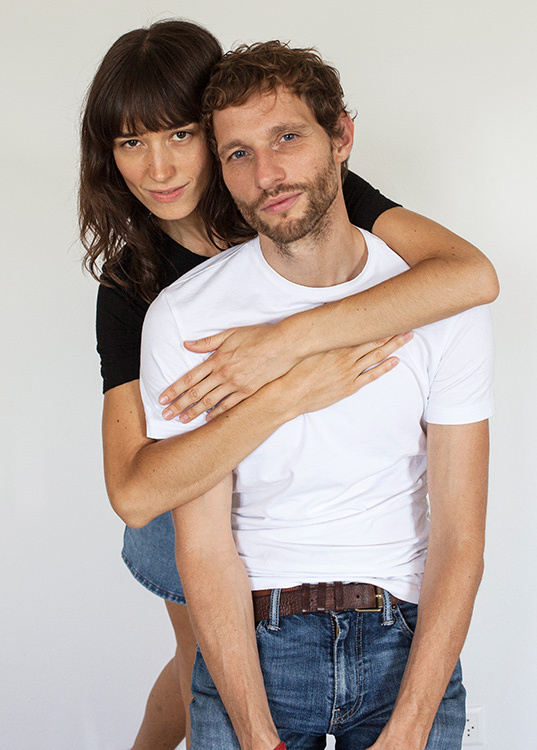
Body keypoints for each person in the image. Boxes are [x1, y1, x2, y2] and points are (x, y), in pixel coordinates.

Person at [79, 20, 498, 750]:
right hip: (180, 491)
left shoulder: (306, 191)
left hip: (365, 573)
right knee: (201, 658)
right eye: (130, 143)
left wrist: (286, 342)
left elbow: (470, 278)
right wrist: (288, 391)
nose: (158, 167)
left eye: (179, 134)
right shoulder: (144, 290)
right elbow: (140, 494)